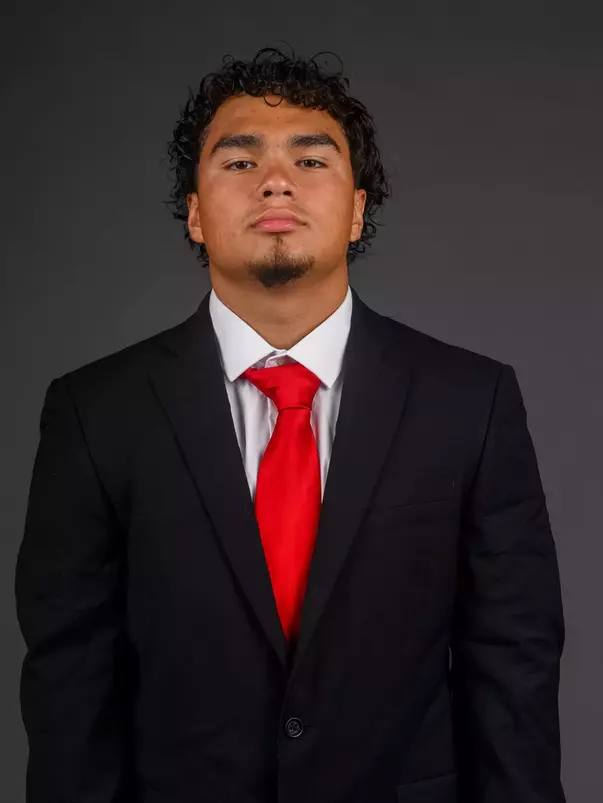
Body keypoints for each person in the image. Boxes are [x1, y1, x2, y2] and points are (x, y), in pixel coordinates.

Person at [15, 46, 566, 803]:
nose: (275, 178)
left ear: (357, 211)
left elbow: (514, 666)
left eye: (311, 160)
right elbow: (69, 684)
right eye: (239, 162)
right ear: (196, 214)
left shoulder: (470, 400)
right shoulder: (94, 412)